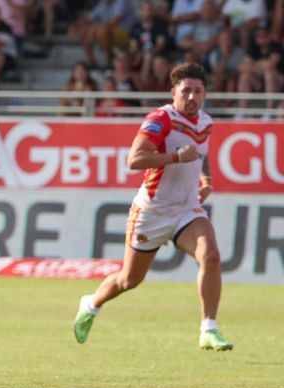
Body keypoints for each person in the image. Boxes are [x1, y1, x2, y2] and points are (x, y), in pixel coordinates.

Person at [73, 62, 233, 352]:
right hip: (152, 211)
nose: (192, 97)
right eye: (186, 91)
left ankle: (208, 327)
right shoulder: (161, 118)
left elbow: (202, 154)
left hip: (186, 210)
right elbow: (134, 160)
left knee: (210, 256)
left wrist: (206, 178)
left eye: (198, 91)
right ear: (174, 92)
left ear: (205, 94)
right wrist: (174, 158)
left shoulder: (205, 122)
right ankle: (92, 303)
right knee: (129, 280)